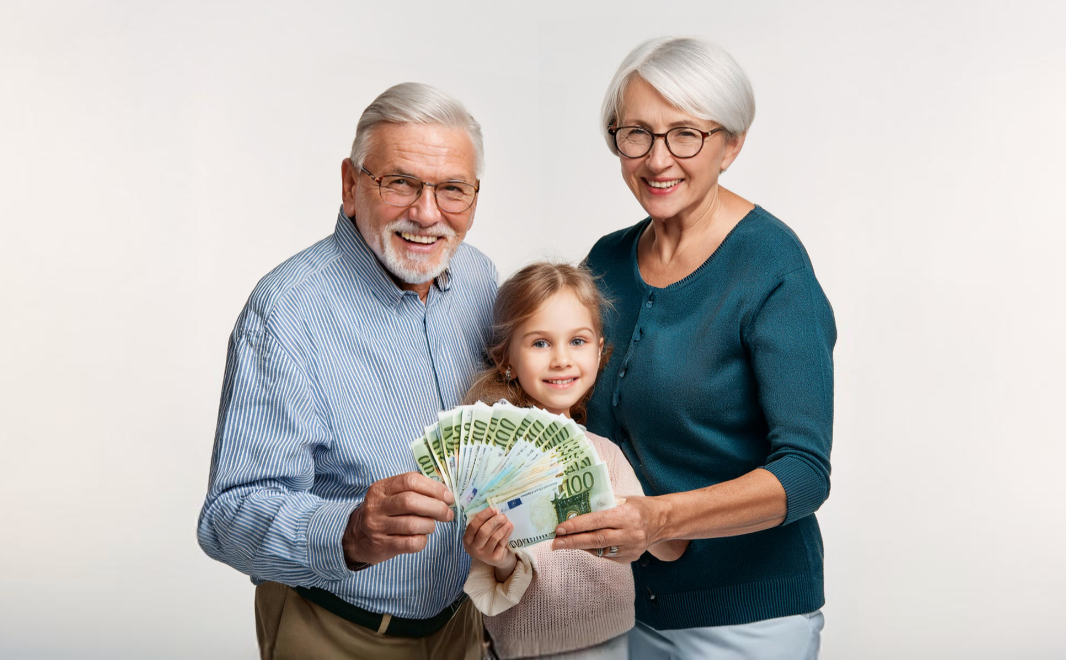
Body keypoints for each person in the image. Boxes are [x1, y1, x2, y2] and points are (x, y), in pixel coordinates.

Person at [551, 37, 837, 659]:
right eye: (638, 134)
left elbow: (805, 474)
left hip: (749, 621)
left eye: (686, 134)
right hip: (619, 609)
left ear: (731, 144)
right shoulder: (605, 261)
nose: (658, 160)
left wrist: (660, 519)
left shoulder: (774, 267)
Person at [197, 82, 498, 660]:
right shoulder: (285, 312)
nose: (427, 213)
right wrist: (350, 532)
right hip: (337, 632)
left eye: (452, 190)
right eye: (400, 182)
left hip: (464, 627)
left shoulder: (481, 280)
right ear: (350, 186)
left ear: (475, 196)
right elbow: (227, 517)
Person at [458, 263, 688, 660]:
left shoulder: (605, 455)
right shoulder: (491, 462)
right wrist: (497, 559)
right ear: (506, 359)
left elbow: (662, 542)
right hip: (525, 651)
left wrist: (659, 526)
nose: (562, 359)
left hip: (612, 644)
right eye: (540, 343)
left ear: (599, 351)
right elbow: (498, 581)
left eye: (577, 341)